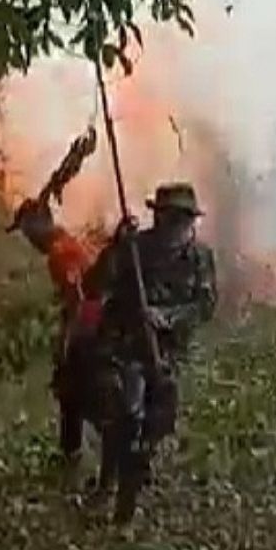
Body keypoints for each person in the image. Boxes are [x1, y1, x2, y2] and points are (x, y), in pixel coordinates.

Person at [85, 182, 217, 523]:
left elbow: (204, 305)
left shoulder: (200, 258)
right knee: (127, 417)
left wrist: (166, 318)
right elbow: (93, 286)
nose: (172, 227)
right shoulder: (134, 248)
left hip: (167, 354)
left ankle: (118, 485)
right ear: (156, 217)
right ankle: (116, 501)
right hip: (126, 348)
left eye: (180, 220)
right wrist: (115, 247)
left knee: (154, 428)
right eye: (166, 218)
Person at [7, 198, 103, 482]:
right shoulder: (64, 245)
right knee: (71, 391)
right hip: (92, 322)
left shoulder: (62, 253)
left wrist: (67, 341)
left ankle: (85, 457)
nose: (27, 239)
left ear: (39, 223)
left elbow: (79, 299)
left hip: (93, 325)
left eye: (26, 230)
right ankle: (72, 453)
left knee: (76, 389)